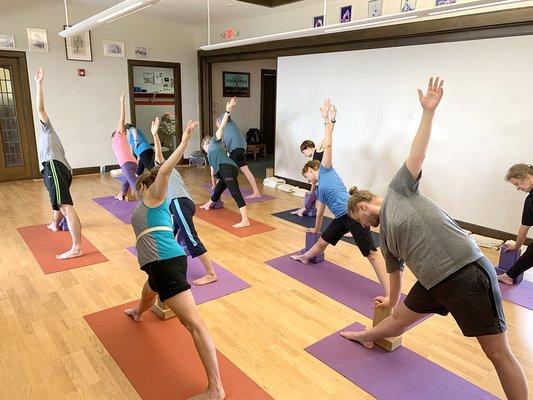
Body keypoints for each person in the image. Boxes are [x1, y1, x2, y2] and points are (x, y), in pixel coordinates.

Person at [342, 77, 527, 400]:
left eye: (361, 220)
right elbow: (395, 272)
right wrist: (390, 300)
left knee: (498, 354)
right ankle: (367, 335)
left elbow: (418, 153)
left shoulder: (400, 190)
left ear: (362, 207)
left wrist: (428, 112)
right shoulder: (386, 238)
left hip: (465, 274)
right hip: (433, 282)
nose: (364, 226)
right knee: (399, 319)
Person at [124, 118, 225, 400]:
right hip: (159, 265)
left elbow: (165, 171)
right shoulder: (146, 204)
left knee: (194, 324)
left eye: (138, 184)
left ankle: (216, 388)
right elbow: (159, 164)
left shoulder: (154, 196)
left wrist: (184, 141)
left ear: (145, 186)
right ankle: (137, 311)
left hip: (166, 263)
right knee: (149, 288)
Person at [290, 99, 390, 296]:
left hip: (353, 215)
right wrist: (315, 230)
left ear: (311, 170)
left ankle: (389, 293)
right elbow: (319, 213)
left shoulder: (326, 170)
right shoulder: (319, 190)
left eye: (306, 175)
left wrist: (327, 120)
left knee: (371, 254)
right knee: (323, 241)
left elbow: (328, 144)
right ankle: (305, 257)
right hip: (341, 217)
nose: (307, 179)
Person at [151, 118, 218, 286]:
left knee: (190, 238)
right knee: (170, 234)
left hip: (180, 203)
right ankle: (168, 261)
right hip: (182, 204)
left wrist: (155, 134)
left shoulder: (163, 168)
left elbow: (159, 152)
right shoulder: (164, 175)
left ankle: (211, 273)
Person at [34, 66, 82, 260]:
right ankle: (55, 224)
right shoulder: (48, 137)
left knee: (65, 206)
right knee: (56, 204)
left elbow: (40, 108)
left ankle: (77, 247)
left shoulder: (47, 130)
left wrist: (39, 84)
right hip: (54, 167)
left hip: (55, 166)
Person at [200, 98, 250, 228]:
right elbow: (212, 171)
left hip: (227, 168)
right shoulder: (210, 155)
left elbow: (222, 127)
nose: (204, 148)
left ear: (206, 143)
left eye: (203, 146)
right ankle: (208, 204)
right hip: (226, 170)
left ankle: (245, 220)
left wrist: (227, 111)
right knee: (218, 190)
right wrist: (213, 183)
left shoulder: (214, 142)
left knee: (235, 193)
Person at [497, 163, 533, 286]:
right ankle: (509, 276)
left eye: (517, 184)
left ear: (527, 176)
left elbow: (525, 227)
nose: (518, 188)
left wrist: (518, 246)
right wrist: (517, 246)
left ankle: (508, 276)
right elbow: (525, 226)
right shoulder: (530, 201)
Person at [218, 112, 261, 199]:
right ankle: (256, 192)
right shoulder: (224, 131)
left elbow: (227, 114)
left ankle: (217, 191)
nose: (216, 123)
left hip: (237, 149)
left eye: (217, 121)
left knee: (227, 170)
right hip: (237, 150)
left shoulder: (227, 122)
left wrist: (229, 108)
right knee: (243, 170)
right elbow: (225, 146)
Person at [111, 93, 138, 200]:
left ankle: (148, 206)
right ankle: (121, 195)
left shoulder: (119, 135)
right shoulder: (116, 141)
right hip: (131, 162)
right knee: (126, 179)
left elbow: (122, 118)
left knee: (136, 187)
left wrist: (122, 102)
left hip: (127, 164)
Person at [290, 139, 324, 217]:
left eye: (304, 152)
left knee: (314, 194)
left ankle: (302, 210)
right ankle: (303, 210)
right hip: (324, 180)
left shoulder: (316, 152)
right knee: (314, 195)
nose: (304, 155)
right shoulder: (316, 155)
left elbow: (314, 180)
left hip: (325, 181)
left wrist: (329, 128)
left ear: (308, 148)